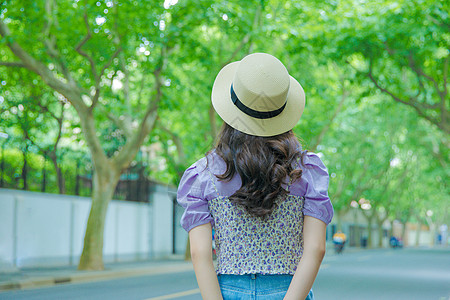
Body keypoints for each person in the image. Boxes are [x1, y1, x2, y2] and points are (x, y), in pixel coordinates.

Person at [177, 53, 334, 300]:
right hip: (289, 290)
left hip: (228, 292)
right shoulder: (307, 170)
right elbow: (316, 249)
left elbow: (200, 253)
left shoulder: (202, 174)